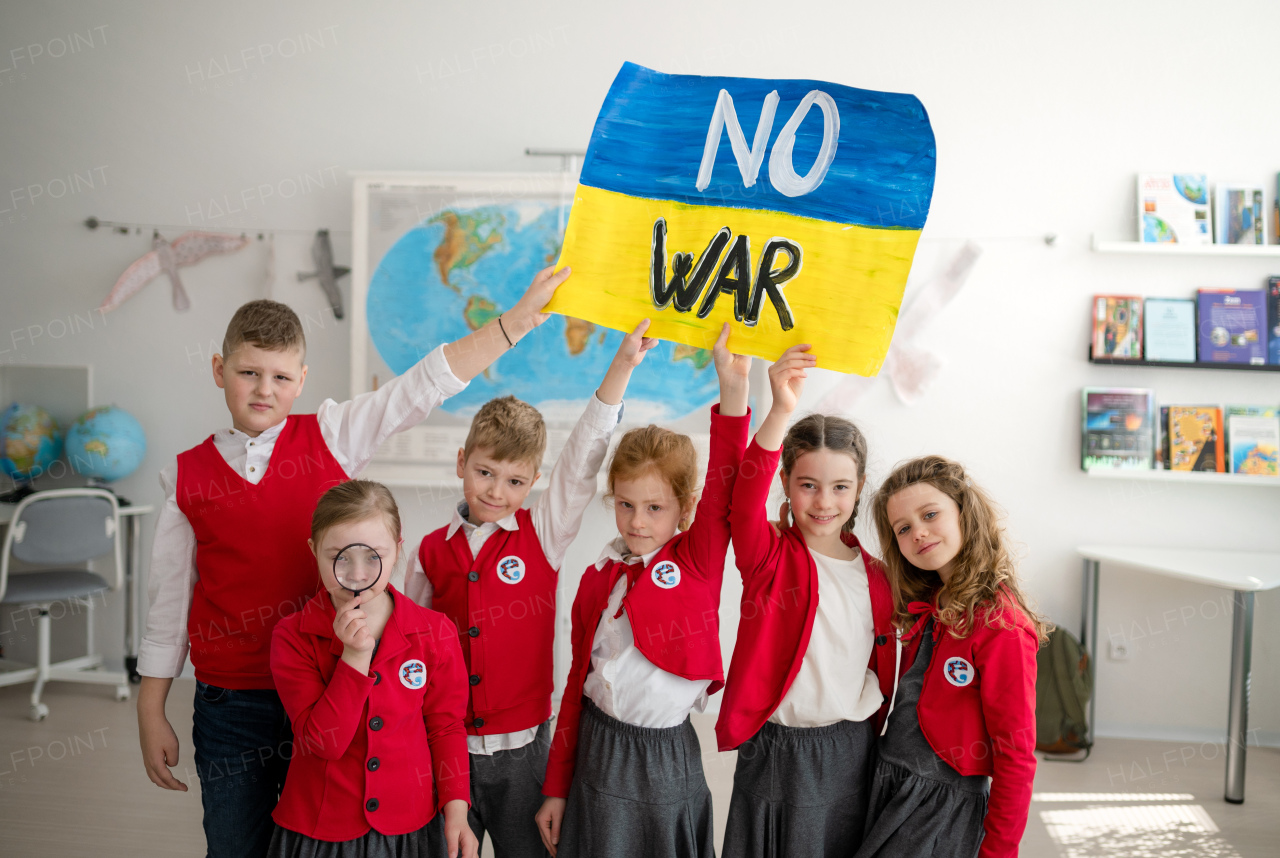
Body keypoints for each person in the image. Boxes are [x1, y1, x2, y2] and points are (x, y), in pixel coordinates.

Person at [136, 266, 571, 858]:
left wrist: (514, 324)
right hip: (233, 701)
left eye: (281, 376)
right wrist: (150, 706)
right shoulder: (182, 478)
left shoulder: (334, 433)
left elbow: (422, 385)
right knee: (235, 843)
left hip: (337, 683)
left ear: (301, 381)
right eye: (248, 373)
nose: (264, 388)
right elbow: (167, 607)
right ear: (220, 371)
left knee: (321, 834)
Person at [405, 320, 654, 857]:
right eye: (485, 472)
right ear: (461, 464)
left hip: (525, 755)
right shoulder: (427, 551)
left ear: (535, 482)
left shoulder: (543, 535)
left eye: (515, 481)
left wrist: (622, 366)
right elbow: (412, 651)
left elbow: (583, 458)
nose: (497, 491)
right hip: (446, 753)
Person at [534, 324, 751, 857]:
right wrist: (555, 788)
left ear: (685, 508)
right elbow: (572, 691)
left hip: (665, 759)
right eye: (626, 504)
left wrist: (734, 384)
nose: (637, 521)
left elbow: (727, 476)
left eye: (655, 508)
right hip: (596, 753)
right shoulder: (598, 576)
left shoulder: (697, 560)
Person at [716, 343, 898, 858]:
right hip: (774, 746)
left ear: (859, 487)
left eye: (840, 487)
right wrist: (780, 410)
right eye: (808, 485)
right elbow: (742, 499)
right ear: (786, 485)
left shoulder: (878, 577)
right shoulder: (768, 557)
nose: (824, 502)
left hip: (849, 747)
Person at [268, 479, 477, 858]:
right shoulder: (292, 636)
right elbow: (324, 742)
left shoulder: (436, 632)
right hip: (321, 831)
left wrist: (457, 810)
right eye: (340, 557)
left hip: (408, 826)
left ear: (397, 551)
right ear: (314, 552)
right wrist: (354, 656)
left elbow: (446, 727)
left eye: (373, 555)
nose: (358, 574)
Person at [855, 455, 1048, 858]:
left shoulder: (1002, 624)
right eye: (903, 528)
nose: (919, 533)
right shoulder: (928, 601)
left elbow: (1016, 753)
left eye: (930, 514)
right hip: (890, 778)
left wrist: (999, 852)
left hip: (939, 801)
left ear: (964, 512)